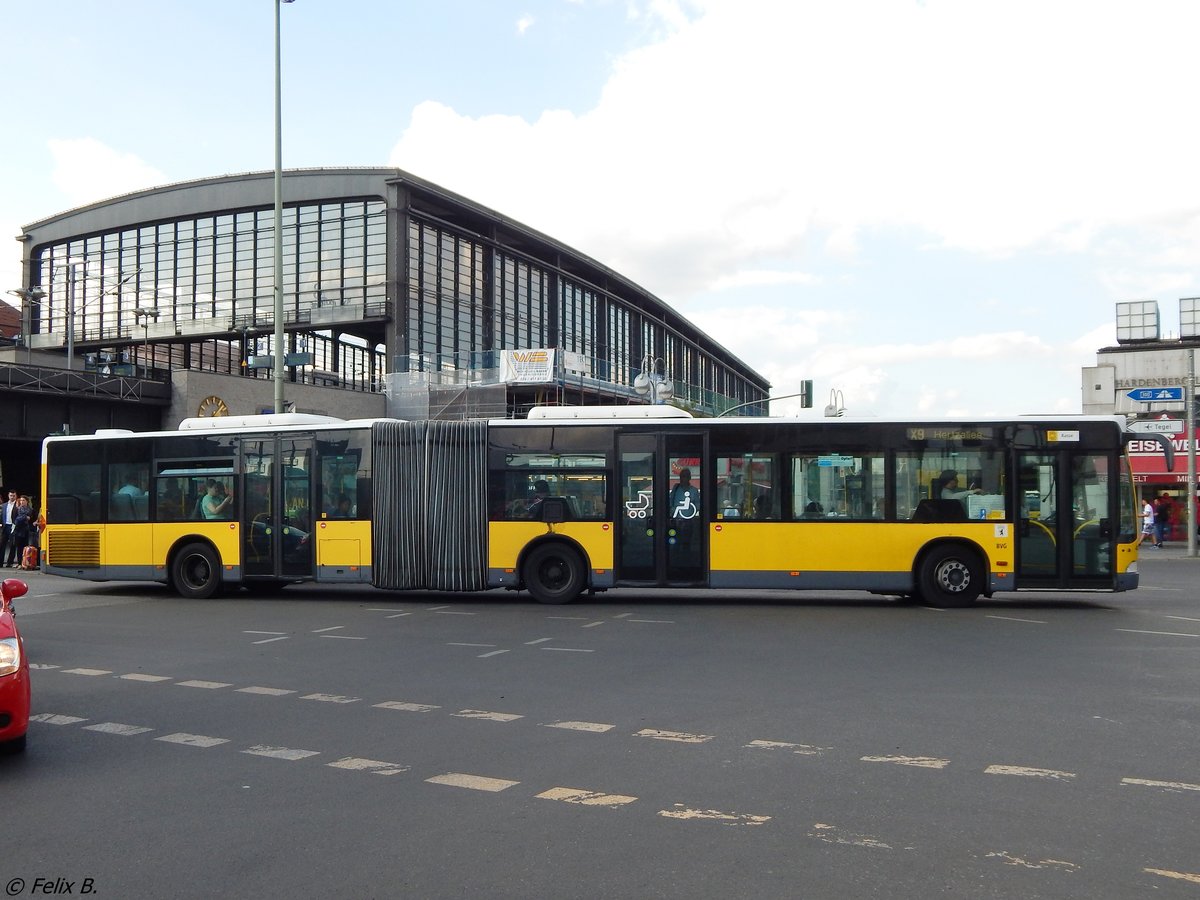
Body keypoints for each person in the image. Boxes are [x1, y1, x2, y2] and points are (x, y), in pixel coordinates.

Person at [7, 496, 32, 568]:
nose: (22, 502)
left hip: (26, 530)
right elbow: (15, 520)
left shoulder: (30, 510)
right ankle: (19, 562)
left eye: (23, 500)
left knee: (25, 547)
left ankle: (25, 562)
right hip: (18, 530)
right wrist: (24, 517)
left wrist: (25, 519)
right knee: (19, 547)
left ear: (27, 501)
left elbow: (32, 519)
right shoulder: (16, 509)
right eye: (21, 500)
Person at [0, 491, 17, 567]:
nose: (12, 497)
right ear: (8, 496)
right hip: (5, 526)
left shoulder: (17, 505)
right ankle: (0, 562)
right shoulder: (4, 505)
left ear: (16, 496)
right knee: (2, 544)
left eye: (13, 495)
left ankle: (10, 562)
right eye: (11, 495)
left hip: (13, 526)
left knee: (12, 545)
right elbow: (1, 515)